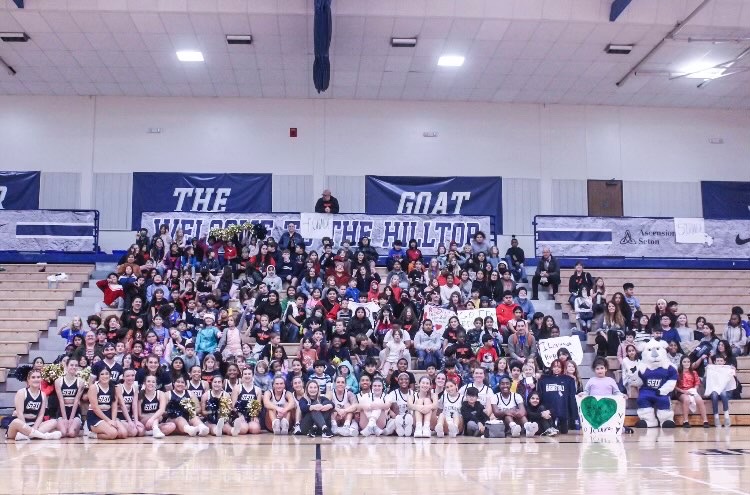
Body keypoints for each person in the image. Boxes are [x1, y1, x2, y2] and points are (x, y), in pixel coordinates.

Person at [7, 367, 62, 441]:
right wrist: (25, 428)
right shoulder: (22, 392)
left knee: (54, 422)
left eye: (38, 377)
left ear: (41, 380)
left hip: (34, 424)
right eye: (33, 377)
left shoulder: (43, 395)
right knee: (16, 422)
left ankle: (29, 435)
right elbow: (19, 413)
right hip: (20, 424)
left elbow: (40, 415)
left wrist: (34, 428)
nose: (36, 379)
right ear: (28, 380)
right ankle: (44, 436)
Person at [87, 368, 127, 440]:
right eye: (102, 374)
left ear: (110, 375)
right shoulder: (94, 387)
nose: (104, 376)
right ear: (98, 376)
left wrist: (113, 421)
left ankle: (107, 430)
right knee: (113, 433)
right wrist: (108, 421)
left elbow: (114, 407)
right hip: (95, 417)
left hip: (108, 415)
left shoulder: (113, 388)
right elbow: (95, 408)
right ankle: (93, 435)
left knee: (123, 434)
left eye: (107, 374)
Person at [674, 356, 709, 428]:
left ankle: (705, 421)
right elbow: (675, 386)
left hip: (692, 390)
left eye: (688, 362)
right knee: (686, 399)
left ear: (690, 363)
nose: (686, 363)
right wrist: (684, 391)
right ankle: (685, 421)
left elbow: (697, 383)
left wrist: (694, 389)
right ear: (681, 363)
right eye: (684, 362)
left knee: (700, 400)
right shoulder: (678, 373)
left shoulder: (694, 372)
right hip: (682, 391)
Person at [54, 359, 84, 438]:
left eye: (76, 365)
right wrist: (64, 418)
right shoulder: (58, 381)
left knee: (71, 433)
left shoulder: (80, 382)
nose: (73, 367)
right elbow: (60, 400)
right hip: (62, 410)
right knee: (63, 433)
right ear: (66, 366)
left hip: (74, 410)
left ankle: (77, 428)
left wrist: (71, 418)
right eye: (71, 365)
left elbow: (77, 400)